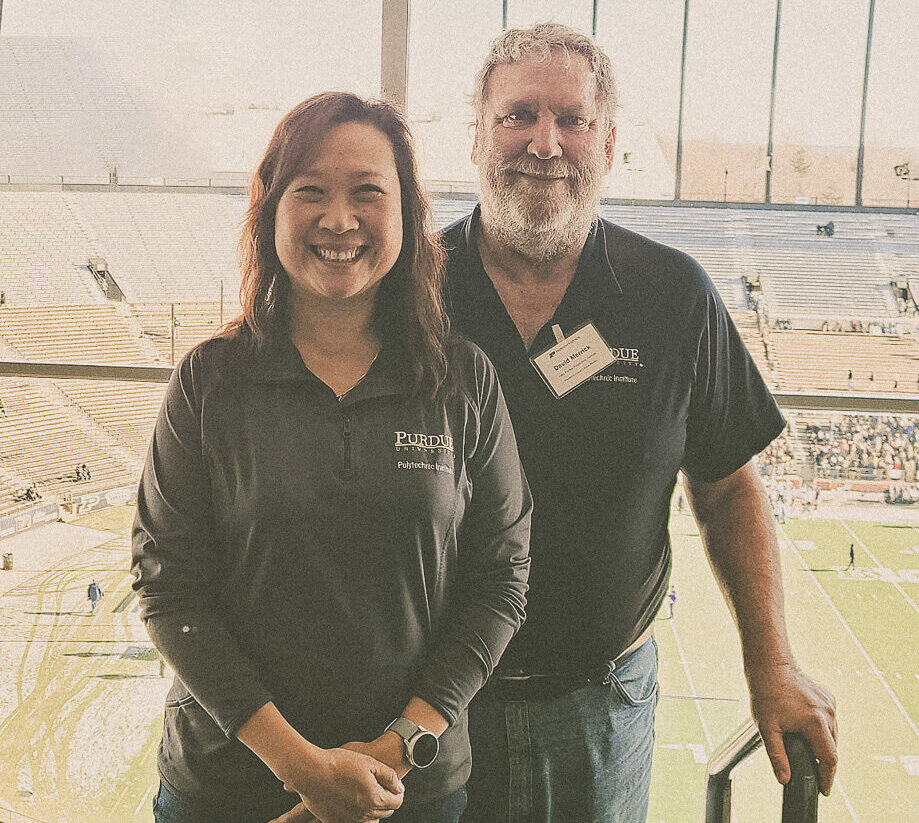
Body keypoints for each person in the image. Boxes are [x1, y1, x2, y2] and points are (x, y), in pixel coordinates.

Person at [441, 23, 837, 823]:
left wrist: (773, 665)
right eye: (517, 115)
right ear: (476, 137)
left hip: (602, 707)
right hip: (431, 707)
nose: (543, 143)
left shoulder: (670, 294)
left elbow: (726, 489)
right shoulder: (408, 290)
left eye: (571, 119)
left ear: (608, 141)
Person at [132, 93, 532, 823]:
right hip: (229, 786)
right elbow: (168, 587)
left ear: (406, 215)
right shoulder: (210, 380)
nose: (339, 219)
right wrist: (301, 767)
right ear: (270, 209)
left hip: (406, 787)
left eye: (367, 193)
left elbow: (500, 578)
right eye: (309, 190)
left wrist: (393, 748)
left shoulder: (463, 380)